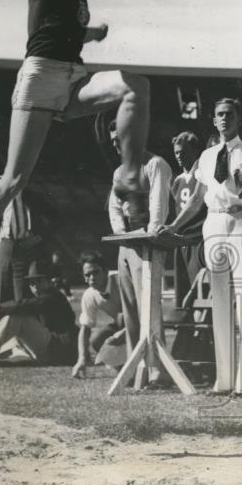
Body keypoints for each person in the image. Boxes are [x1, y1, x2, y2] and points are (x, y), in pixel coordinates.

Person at [0, 0, 151, 267]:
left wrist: (90, 34)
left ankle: (130, 175)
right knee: (14, 179)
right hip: (40, 76)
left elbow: (59, 28)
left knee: (135, 86)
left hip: (72, 78)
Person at [159, 98, 242, 395]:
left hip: (241, 222)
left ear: (239, 119)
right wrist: (174, 226)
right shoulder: (206, 157)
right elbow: (195, 200)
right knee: (218, 304)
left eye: (229, 114)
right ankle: (224, 380)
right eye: (219, 114)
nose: (224, 119)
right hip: (214, 224)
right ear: (213, 119)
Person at [107, 120, 172, 361]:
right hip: (126, 244)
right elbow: (114, 206)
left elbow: (159, 204)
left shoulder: (155, 164)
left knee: (148, 308)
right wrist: (122, 234)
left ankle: (156, 368)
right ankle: (136, 369)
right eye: (112, 140)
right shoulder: (119, 172)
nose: (115, 144)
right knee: (130, 310)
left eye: (119, 139)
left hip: (147, 243)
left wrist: (149, 235)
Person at [0, 260, 78, 368]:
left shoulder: (54, 296)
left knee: (19, 317)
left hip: (60, 350)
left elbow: (24, 305)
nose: (35, 286)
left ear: (49, 282)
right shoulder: (43, 297)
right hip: (52, 348)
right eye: (31, 283)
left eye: (39, 281)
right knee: (16, 323)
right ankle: (0, 352)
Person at [71, 250, 125, 378]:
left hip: (139, 324)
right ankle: (120, 366)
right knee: (97, 338)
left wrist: (124, 332)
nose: (92, 278)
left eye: (96, 272)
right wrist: (82, 360)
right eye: (87, 274)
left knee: (122, 318)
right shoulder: (89, 295)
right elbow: (85, 328)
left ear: (106, 271)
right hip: (120, 326)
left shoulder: (122, 282)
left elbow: (140, 314)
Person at [170, 131, 207, 307]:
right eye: (176, 152)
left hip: (197, 240)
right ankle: (188, 331)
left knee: (200, 291)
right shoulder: (177, 181)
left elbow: (197, 203)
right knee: (182, 295)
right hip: (180, 241)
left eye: (183, 152)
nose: (179, 156)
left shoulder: (202, 173)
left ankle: (206, 333)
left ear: (194, 150)